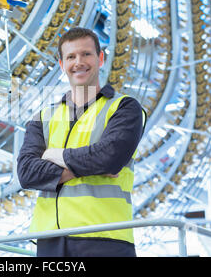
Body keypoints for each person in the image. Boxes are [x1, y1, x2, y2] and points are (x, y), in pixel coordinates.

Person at [17, 27, 146, 257]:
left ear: (101, 58)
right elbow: (26, 173)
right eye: (71, 57)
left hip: (104, 237)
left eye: (86, 54)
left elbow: (109, 158)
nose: (79, 62)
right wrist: (91, 164)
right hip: (49, 242)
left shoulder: (124, 108)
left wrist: (55, 155)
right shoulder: (43, 117)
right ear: (61, 64)